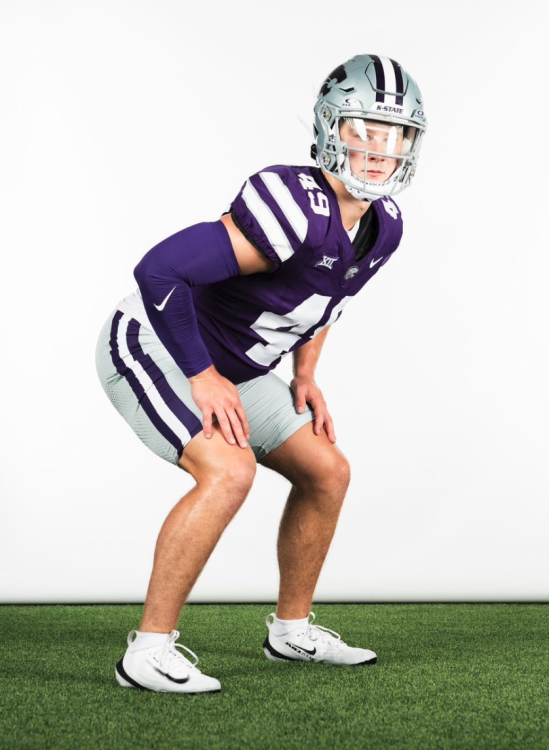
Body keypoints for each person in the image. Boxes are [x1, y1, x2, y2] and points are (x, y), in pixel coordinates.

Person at [95, 53, 427, 694]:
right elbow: (159, 272)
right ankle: (148, 651)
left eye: (396, 134)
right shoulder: (292, 204)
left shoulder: (384, 225)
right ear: (330, 128)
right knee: (230, 471)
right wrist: (201, 374)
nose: (380, 149)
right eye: (364, 129)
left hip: (236, 367)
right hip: (157, 342)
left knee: (327, 471)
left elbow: (329, 298)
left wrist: (306, 374)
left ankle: (291, 632)